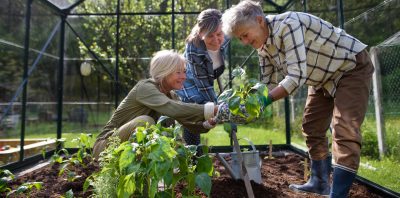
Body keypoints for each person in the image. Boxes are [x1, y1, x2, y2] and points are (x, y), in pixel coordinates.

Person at [221, 1, 374, 197]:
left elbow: (296, 77)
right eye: (239, 38)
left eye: (244, 35)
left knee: (345, 130)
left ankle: (338, 194)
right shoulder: (262, 46)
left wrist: (264, 101)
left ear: (259, 21)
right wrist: (248, 105)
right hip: (321, 77)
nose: (243, 41)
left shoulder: (288, 25)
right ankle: (320, 182)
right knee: (312, 126)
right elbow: (267, 86)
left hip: (350, 67)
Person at [93, 50, 218, 158]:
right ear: (164, 72)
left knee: (171, 139)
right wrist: (212, 109)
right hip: (105, 148)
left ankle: (159, 184)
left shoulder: (171, 96)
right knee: (145, 122)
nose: (184, 77)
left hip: (129, 148)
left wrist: (206, 124)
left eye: (184, 72)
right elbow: (173, 108)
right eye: (178, 72)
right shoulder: (145, 87)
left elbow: (187, 122)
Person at [176, 9, 230, 147]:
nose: (216, 40)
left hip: (208, 78)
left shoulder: (225, 36)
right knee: (194, 120)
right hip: (190, 85)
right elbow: (203, 86)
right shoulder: (193, 49)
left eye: (219, 34)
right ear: (200, 34)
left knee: (210, 114)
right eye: (210, 36)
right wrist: (218, 110)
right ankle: (191, 158)